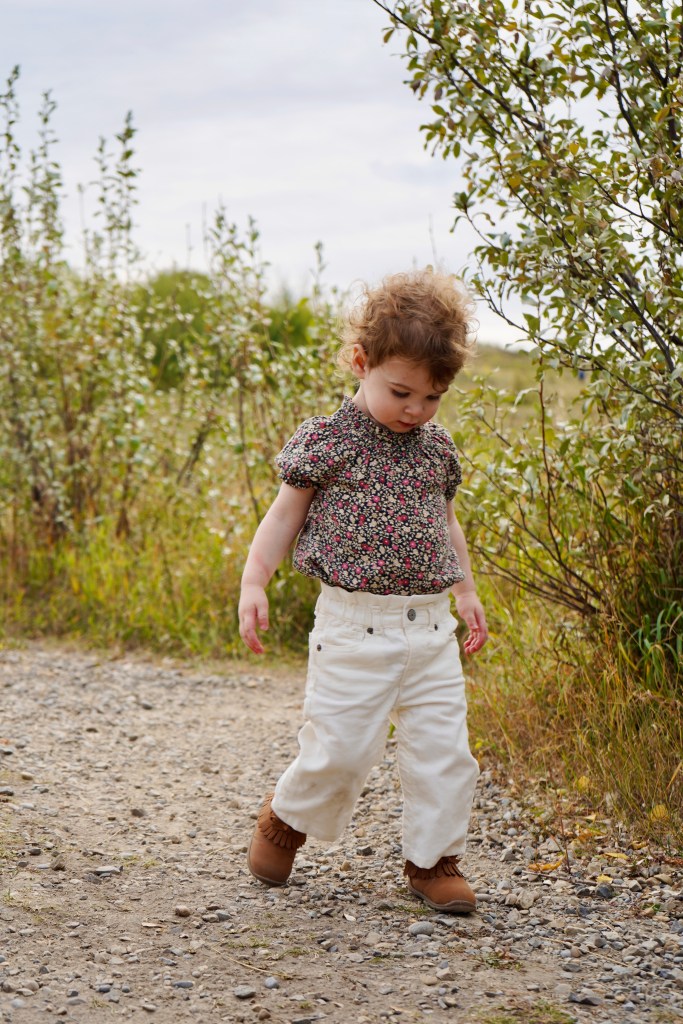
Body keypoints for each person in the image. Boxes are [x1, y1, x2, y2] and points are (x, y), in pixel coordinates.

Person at [238, 268, 488, 914]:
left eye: (432, 397)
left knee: (445, 755)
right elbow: (283, 517)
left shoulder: (435, 449)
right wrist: (254, 579)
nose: (415, 410)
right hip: (353, 626)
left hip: (431, 628)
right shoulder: (328, 441)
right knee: (341, 750)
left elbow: (446, 523)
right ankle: (284, 821)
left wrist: (465, 593)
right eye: (401, 392)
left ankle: (433, 862)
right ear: (360, 363)